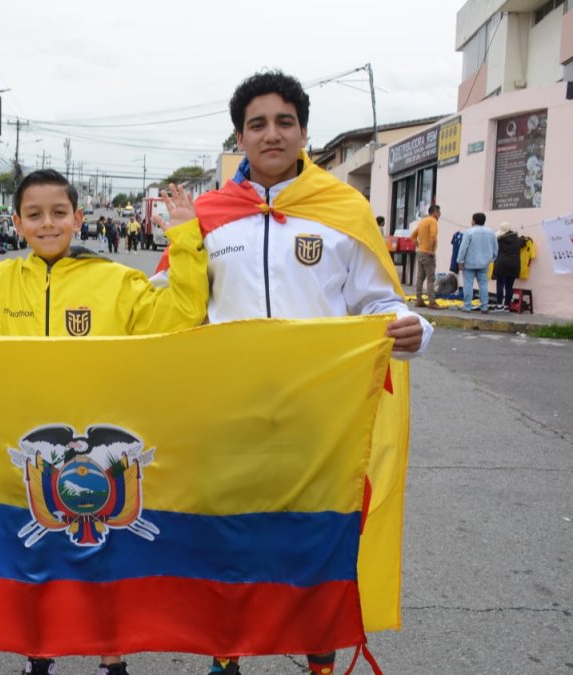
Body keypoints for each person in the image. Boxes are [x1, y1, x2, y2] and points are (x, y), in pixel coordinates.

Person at [153, 69, 431, 675]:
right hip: (224, 412)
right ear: (239, 138)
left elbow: (379, 302)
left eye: (285, 122)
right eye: (257, 124)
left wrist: (412, 329)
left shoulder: (343, 209)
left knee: (316, 542)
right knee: (226, 537)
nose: (271, 134)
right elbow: (166, 302)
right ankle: (224, 656)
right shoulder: (207, 215)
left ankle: (320, 662)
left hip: (319, 418)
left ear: (304, 132)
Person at [0, 167, 210, 675]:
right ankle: (38, 655)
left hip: (99, 458)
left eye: (59, 213)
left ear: (78, 218)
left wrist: (185, 238)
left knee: (106, 562)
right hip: (30, 453)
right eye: (35, 214)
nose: (47, 223)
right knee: (34, 561)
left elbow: (183, 311)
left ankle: (113, 660)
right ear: (18, 223)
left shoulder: (117, 283)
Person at [456, 212, 498, 312]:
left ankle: (467, 306)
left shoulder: (469, 232)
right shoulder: (491, 232)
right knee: (483, 284)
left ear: (474, 221)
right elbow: (495, 247)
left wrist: (460, 261)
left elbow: (463, 247)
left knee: (468, 284)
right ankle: (484, 306)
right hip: (484, 263)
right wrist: (492, 258)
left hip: (469, 262)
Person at [410, 205, 441, 308]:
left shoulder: (422, 221)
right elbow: (433, 236)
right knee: (431, 278)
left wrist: (418, 245)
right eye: (439, 212)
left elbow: (412, 236)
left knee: (420, 277)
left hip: (420, 252)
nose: (439, 214)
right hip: (428, 253)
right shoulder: (433, 221)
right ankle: (432, 301)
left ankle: (419, 299)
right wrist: (431, 250)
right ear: (435, 212)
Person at [492, 222, 522, 312]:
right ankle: (507, 306)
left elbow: (495, 251)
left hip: (502, 264)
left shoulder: (500, 240)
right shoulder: (518, 240)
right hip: (514, 264)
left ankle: (499, 305)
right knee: (509, 286)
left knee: (500, 285)